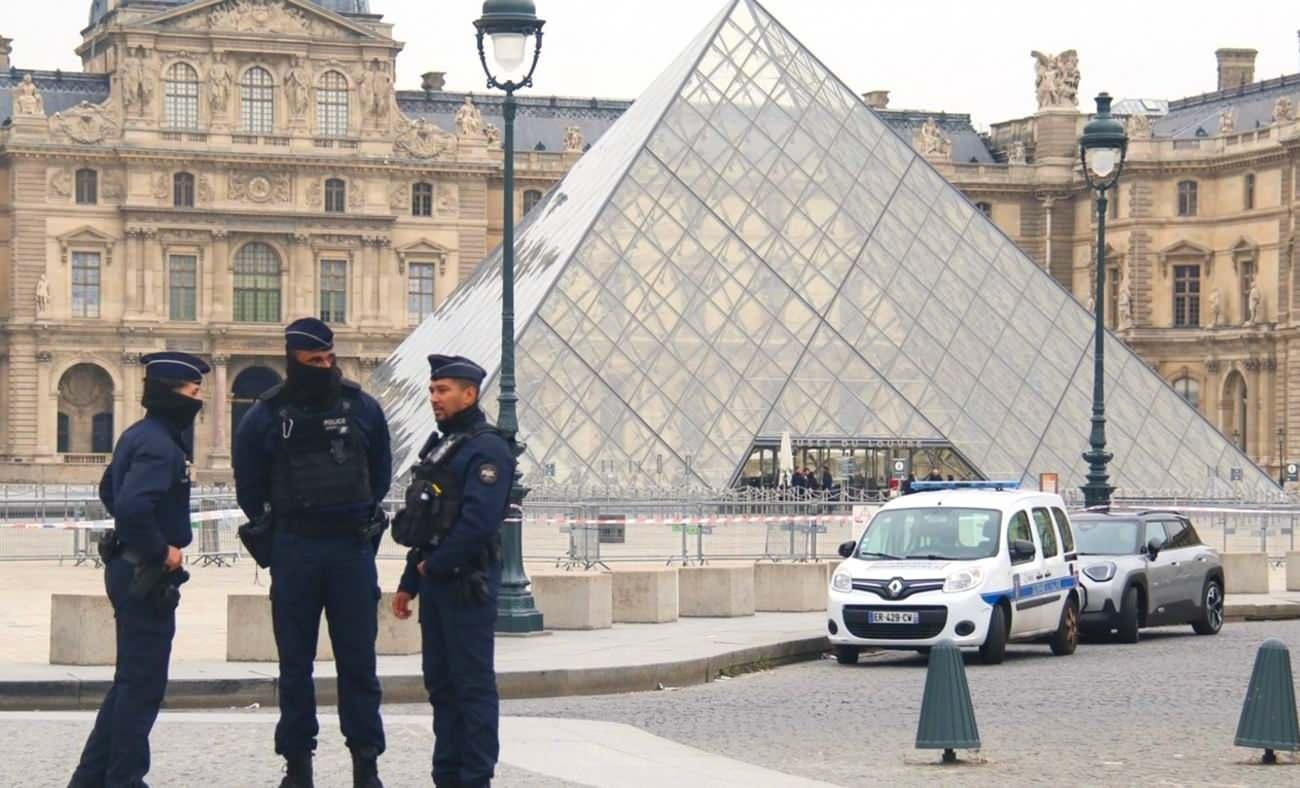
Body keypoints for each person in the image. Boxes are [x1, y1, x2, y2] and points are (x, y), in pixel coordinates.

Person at [233, 318, 392, 788]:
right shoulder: (264, 416)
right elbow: (249, 488)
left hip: (348, 548)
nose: (324, 367)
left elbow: (378, 478)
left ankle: (366, 763)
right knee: (294, 666)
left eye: (328, 359)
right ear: (293, 360)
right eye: (313, 362)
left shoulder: (363, 409)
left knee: (359, 664)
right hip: (296, 547)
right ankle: (297, 765)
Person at [69, 352, 209, 788]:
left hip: (126, 566)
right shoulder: (161, 445)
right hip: (144, 572)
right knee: (143, 686)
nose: (197, 401)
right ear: (171, 393)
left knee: (129, 681)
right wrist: (160, 548)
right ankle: (125, 779)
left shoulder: (139, 434)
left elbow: (109, 488)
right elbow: (130, 504)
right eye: (192, 392)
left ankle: (91, 778)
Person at [391, 355, 516, 788]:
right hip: (438, 580)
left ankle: (475, 777)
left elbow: (477, 523)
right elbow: (427, 521)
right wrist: (411, 581)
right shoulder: (443, 446)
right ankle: (446, 776)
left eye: (443, 390)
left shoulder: (487, 448)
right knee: (441, 687)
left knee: (472, 688)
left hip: (466, 583)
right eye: (431, 390)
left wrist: (434, 566)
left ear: (470, 393)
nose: (434, 398)